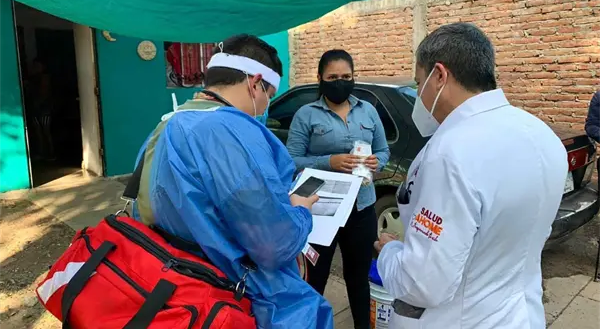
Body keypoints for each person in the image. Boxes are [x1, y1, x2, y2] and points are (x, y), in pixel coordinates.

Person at [131, 34, 334, 329]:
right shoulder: (231, 132)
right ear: (255, 83)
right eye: (268, 95)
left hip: (170, 283)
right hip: (228, 295)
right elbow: (273, 245)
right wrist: (300, 211)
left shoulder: (168, 124)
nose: (265, 106)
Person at [374, 23, 567, 329]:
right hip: (521, 315)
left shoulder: (450, 153)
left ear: (439, 76)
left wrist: (390, 253)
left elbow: (424, 283)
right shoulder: (541, 135)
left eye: (419, 82)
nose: (419, 95)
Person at [286, 49, 390, 329]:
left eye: (346, 76)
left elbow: (383, 150)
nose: (340, 82)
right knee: (315, 278)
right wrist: (328, 161)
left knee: (358, 278)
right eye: (333, 77)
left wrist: (376, 162)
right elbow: (291, 161)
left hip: (362, 207)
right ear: (320, 78)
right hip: (321, 209)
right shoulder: (306, 115)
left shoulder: (368, 111)